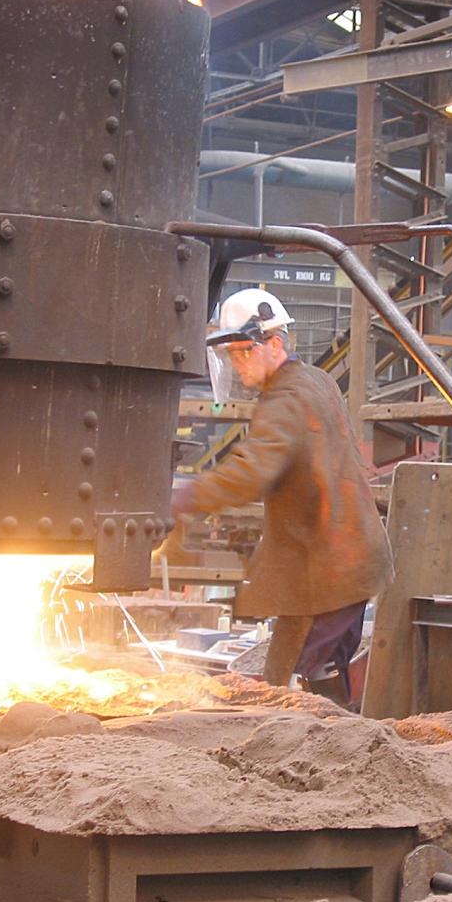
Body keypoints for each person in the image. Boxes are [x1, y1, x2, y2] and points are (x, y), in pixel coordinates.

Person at [171, 288, 392, 705]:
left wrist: (184, 498)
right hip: (330, 563)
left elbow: (250, 473)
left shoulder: (285, 400)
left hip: (332, 566)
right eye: (232, 356)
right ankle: (331, 743)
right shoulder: (316, 380)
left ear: (274, 343)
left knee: (308, 673)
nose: (238, 365)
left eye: (244, 352)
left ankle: (334, 748)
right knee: (288, 674)